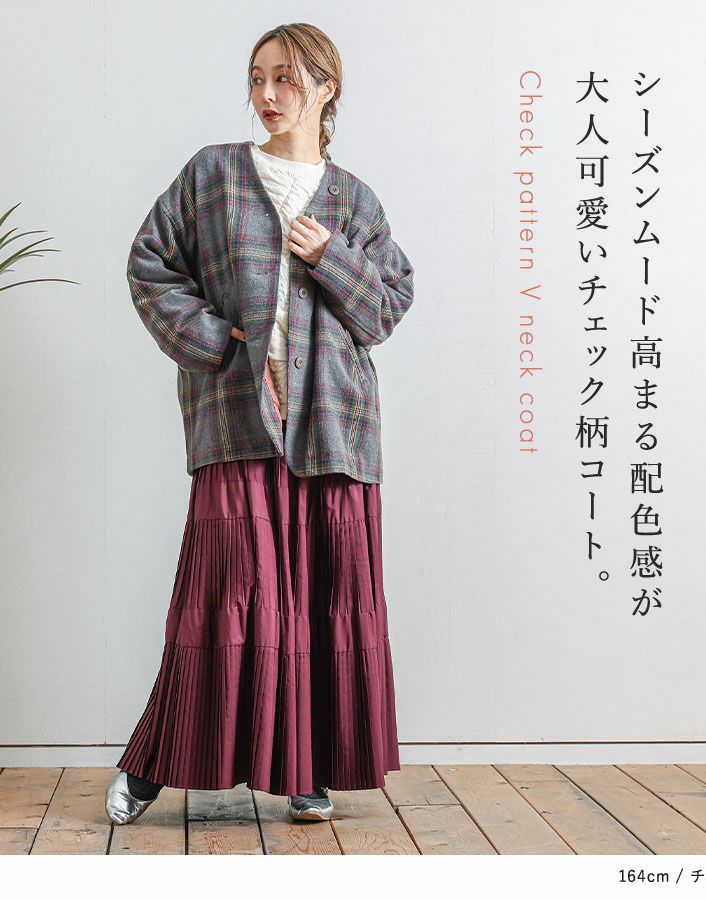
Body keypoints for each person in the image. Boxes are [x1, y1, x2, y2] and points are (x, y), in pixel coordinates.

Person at [105, 21, 414, 826]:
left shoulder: (355, 201)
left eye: (286, 78)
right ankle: (152, 764)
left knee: (323, 600)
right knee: (225, 597)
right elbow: (149, 265)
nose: (268, 94)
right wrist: (216, 338)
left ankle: (307, 772)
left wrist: (331, 255)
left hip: (335, 429)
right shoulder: (213, 174)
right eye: (257, 77)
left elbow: (387, 307)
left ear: (326, 87)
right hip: (238, 418)